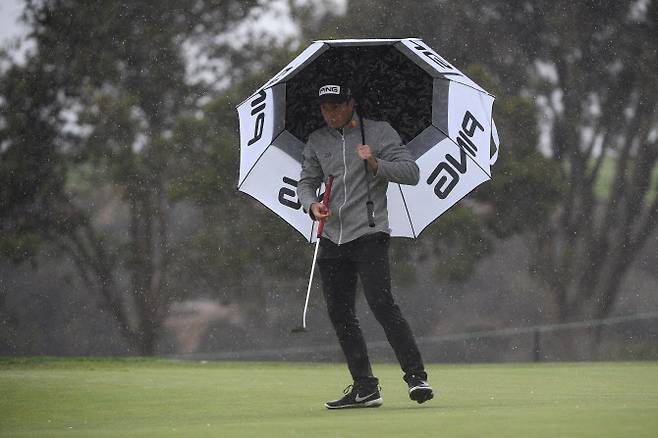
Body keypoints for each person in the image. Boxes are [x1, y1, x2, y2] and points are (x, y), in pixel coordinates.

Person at [297, 79, 433, 409]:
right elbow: (306, 182)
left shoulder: (380, 133)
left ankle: (416, 377)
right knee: (339, 313)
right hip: (331, 236)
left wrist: (375, 164)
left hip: (370, 234)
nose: (329, 114)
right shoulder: (317, 140)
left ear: (350, 104)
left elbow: (411, 172)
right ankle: (365, 387)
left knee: (381, 304)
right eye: (324, 108)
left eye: (336, 107)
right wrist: (311, 205)